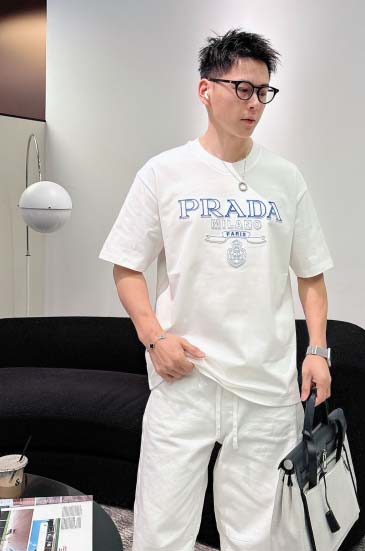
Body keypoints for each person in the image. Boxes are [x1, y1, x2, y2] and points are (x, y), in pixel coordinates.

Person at [98, 27, 334, 551]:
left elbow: (311, 273)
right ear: (205, 90)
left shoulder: (285, 178)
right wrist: (154, 338)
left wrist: (317, 350)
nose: (254, 103)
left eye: (263, 91)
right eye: (242, 88)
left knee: (259, 534)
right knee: (162, 529)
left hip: (267, 384)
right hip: (186, 376)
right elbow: (126, 266)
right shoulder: (164, 173)